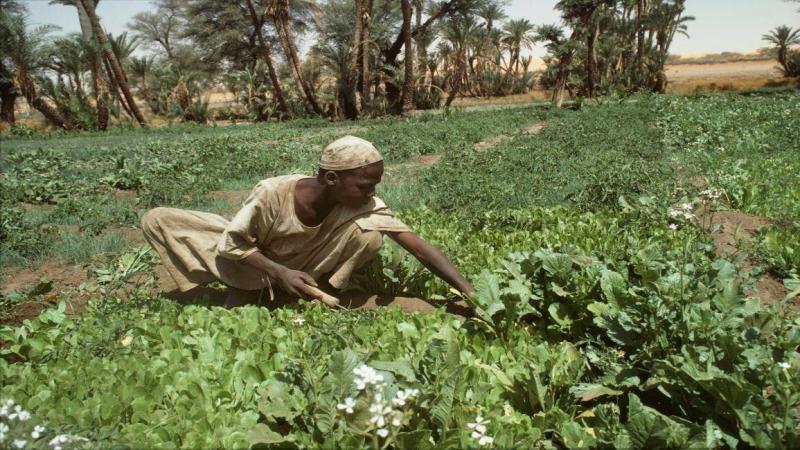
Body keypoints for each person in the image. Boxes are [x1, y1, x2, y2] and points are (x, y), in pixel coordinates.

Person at [141, 135, 474, 304]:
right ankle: (258, 289)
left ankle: (315, 291)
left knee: (370, 235)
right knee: (158, 219)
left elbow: (417, 246)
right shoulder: (272, 193)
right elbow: (234, 242)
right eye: (366, 184)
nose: (372, 192)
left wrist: (469, 293)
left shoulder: (363, 205)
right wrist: (279, 271)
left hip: (304, 269)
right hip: (255, 264)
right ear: (332, 179)